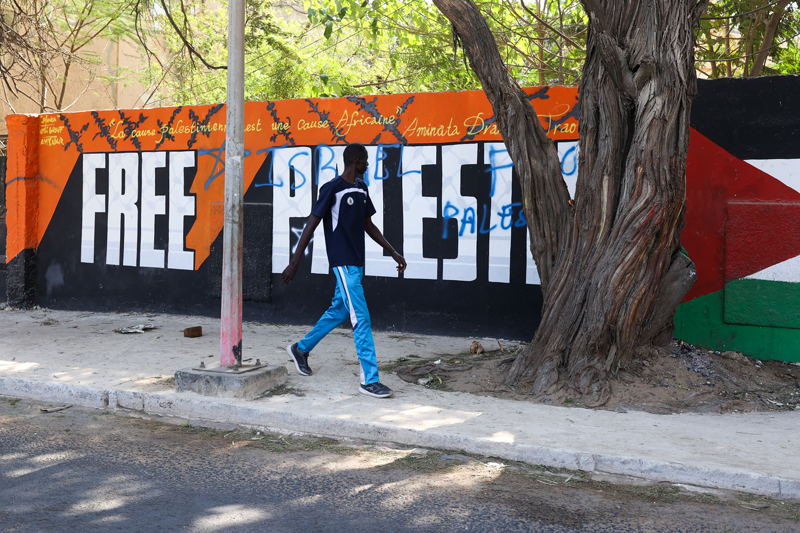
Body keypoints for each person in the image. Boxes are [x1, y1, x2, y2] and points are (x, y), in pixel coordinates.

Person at [281, 143, 407, 398]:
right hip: (343, 262)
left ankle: (301, 349)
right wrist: (295, 261)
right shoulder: (332, 189)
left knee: (340, 309)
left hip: (358, 263)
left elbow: (368, 225)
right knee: (360, 317)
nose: (368, 165)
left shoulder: (361, 188)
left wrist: (392, 250)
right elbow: (311, 225)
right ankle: (369, 381)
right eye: (366, 161)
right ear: (357, 160)